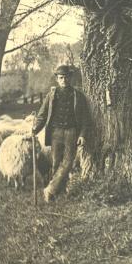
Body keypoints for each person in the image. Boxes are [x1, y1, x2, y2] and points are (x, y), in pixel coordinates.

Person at [32, 65, 89, 202]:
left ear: (70, 78)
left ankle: (50, 189)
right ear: (57, 79)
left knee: (68, 162)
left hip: (71, 132)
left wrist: (82, 135)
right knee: (56, 163)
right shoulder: (51, 96)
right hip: (55, 133)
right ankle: (58, 194)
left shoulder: (78, 96)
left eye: (66, 77)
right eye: (61, 78)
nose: (64, 80)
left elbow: (86, 118)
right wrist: (35, 129)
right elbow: (42, 115)